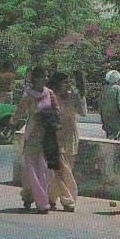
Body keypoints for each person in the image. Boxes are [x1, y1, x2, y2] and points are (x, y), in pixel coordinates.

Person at [13, 66, 60, 214]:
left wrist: (51, 118)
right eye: (43, 76)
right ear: (36, 79)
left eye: (47, 76)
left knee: (44, 168)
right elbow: (19, 111)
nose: (46, 79)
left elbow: (57, 110)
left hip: (47, 134)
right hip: (33, 133)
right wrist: (12, 123)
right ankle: (41, 202)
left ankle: (29, 196)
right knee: (32, 168)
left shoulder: (49, 93)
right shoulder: (28, 95)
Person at [48, 71, 87, 212]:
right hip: (56, 135)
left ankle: (50, 197)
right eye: (64, 82)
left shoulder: (73, 96)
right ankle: (68, 199)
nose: (67, 85)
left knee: (67, 168)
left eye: (68, 82)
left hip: (71, 134)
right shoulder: (51, 97)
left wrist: (80, 97)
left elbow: (83, 113)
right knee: (61, 169)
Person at [99, 69, 120, 140]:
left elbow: (100, 105)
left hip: (106, 118)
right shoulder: (118, 89)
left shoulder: (105, 88)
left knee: (108, 137)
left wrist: (102, 118)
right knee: (115, 138)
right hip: (116, 118)